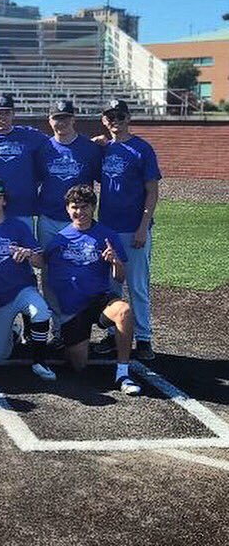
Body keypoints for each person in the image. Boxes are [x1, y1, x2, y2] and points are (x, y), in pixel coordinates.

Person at [44, 184, 141, 395]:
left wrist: (115, 261)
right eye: (74, 207)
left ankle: (123, 372)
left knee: (123, 310)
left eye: (85, 207)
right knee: (78, 365)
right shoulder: (59, 238)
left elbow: (120, 277)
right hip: (73, 309)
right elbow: (42, 263)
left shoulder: (107, 235)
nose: (79, 212)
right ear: (67, 209)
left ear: (93, 207)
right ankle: (72, 345)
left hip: (99, 301)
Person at [92, 99, 162, 361]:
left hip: (134, 229)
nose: (115, 121)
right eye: (110, 116)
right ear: (104, 120)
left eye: (119, 116)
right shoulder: (104, 148)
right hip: (108, 228)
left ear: (128, 118)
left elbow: (152, 192)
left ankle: (143, 338)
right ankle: (113, 334)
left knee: (137, 285)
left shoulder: (142, 149)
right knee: (111, 286)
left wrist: (143, 227)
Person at [0, 177, 56, 381]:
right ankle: (14, 330)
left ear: (4, 201)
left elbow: (40, 262)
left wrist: (28, 253)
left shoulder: (18, 227)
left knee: (41, 312)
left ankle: (39, 361)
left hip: (22, 290)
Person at [36, 100, 102, 342]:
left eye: (65, 117)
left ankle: (80, 326)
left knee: (81, 268)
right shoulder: (44, 148)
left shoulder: (90, 149)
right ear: (49, 120)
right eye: (56, 118)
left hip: (80, 222)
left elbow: (105, 179)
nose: (61, 123)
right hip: (49, 218)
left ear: (74, 119)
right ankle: (57, 329)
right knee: (50, 272)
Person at [0, 93, 48, 231]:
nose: (2, 117)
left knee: (25, 250)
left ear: (13, 114)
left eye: (7, 113)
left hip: (22, 209)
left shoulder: (30, 135)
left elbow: (59, 143)